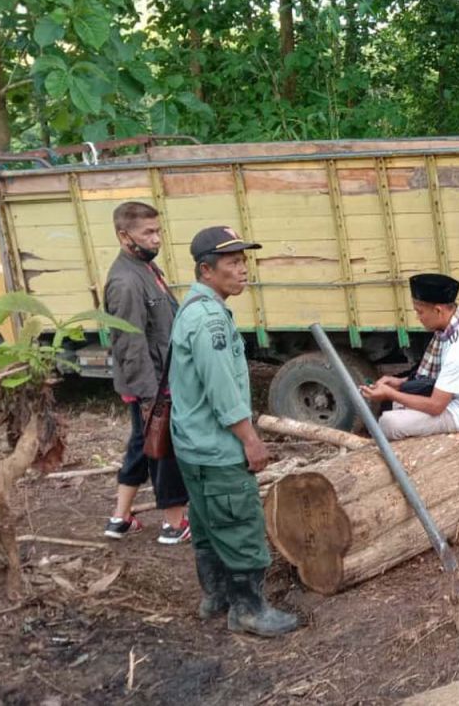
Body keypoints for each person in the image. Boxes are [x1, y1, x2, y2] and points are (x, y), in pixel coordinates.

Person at [170, 226, 298, 637]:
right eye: (233, 263)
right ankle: (248, 610)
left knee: (207, 523)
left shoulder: (193, 308)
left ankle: (216, 597)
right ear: (206, 270)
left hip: (193, 446)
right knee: (240, 527)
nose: (243, 271)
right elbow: (222, 390)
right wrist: (250, 439)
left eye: (244, 261)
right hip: (218, 448)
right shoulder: (210, 321)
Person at [102, 201, 190, 544]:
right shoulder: (125, 281)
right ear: (125, 236)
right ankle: (173, 523)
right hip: (152, 384)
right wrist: (150, 396)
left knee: (142, 445)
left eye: (158, 231)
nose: (157, 239)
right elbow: (129, 343)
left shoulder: (144, 268)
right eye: (148, 233)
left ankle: (120, 518)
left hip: (160, 378)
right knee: (163, 448)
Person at [360, 273, 459, 439]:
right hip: (458, 394)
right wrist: (400, 383)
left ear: (438, 310)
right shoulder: (457, 322)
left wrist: (390, 394)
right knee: (399, 398)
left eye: (420, 312)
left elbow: (436, 406)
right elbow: (437, 377)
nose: (418, 318)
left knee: (389, 422)